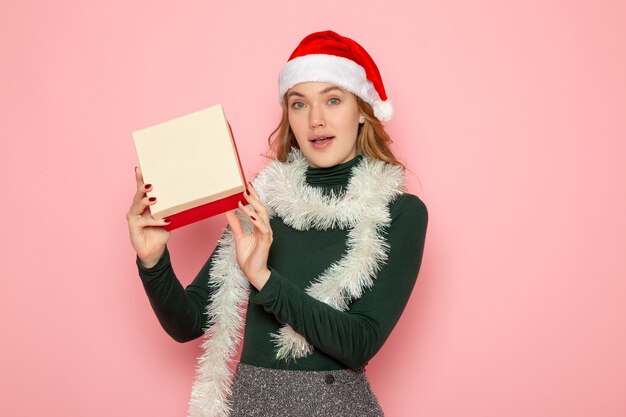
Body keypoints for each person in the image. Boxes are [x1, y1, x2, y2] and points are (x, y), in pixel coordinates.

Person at [127, 30, 428, 417]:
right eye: (299, 104)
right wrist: (154, 263)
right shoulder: (259, 205)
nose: (316, 119)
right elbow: (190, 322)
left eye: (333, 100)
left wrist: (264, 278)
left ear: (362, 112)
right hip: (252, 405)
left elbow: (360, 342)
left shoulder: (400, 213)